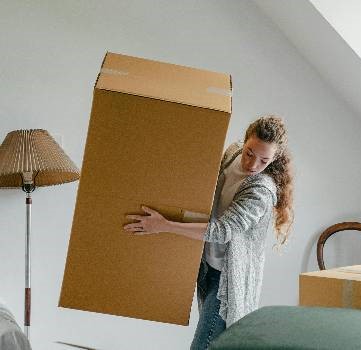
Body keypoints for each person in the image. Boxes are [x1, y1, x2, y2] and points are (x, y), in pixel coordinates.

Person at [122, 116, 294, 349]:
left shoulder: (261, 191)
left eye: (264, 160)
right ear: (244, 143)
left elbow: (222, 231)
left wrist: (165, 225)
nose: (253, 165)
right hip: (207, 266)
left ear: (274, 159)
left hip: (228, 279)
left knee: (203, 345)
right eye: (250, 153)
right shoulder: (232, 155)